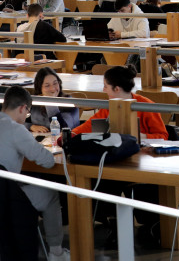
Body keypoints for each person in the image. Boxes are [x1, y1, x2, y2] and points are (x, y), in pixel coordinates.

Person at [0, 86, 70, 261]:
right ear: (23, 108)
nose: (26, 117)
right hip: (7, 197)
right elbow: (47, 161)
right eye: (28, 113)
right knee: (51, 195)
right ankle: (56, 252)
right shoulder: (16, 130)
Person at [72, 66, 168, 139]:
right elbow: (88, 126)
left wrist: (141, 136)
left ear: (116, 89)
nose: (103, 90)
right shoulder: (109, 106)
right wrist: (70, 134)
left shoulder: (146, 106)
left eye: (106, 86)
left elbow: (163, 136)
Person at [28, 67, 79, 133]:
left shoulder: (70, 103)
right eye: (47, 86)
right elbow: (19, 122)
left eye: (55, 83)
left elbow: (62, 128)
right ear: (39, 88)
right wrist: (31, 126)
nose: (52, 89)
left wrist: (50, 102)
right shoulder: (35, 101)